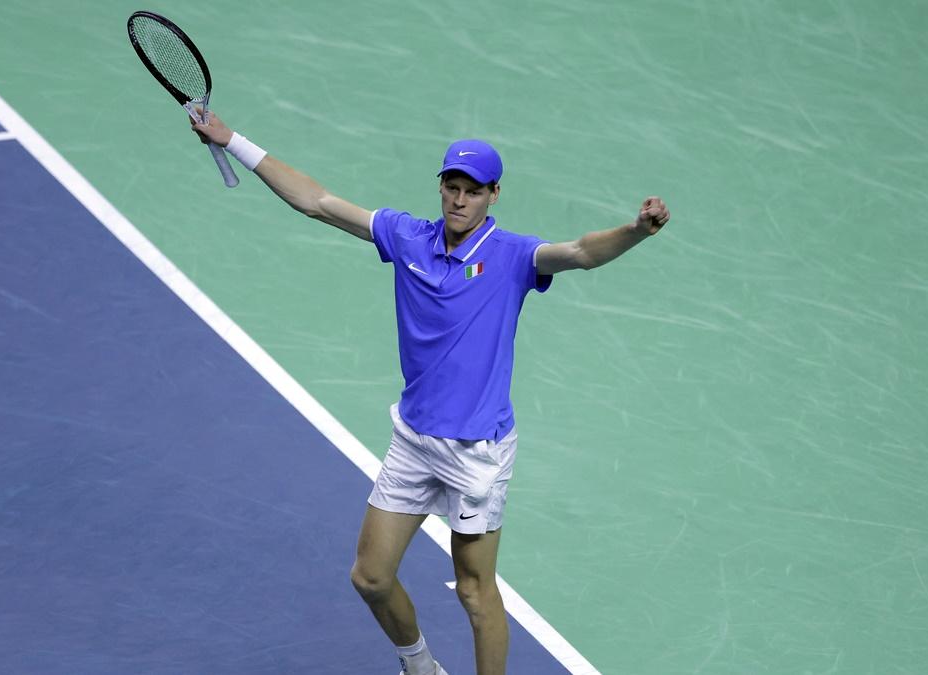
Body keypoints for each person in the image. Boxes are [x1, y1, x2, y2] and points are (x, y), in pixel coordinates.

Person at [190, 111, 669, 675]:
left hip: (477, 452)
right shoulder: (406, 236)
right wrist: (234, 142)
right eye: (452, 187)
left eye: (473, 191)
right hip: (415, 438)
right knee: (370, 576)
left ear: (494, 195)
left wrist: (635, 229)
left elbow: (583, 252)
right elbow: (316, 201)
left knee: (473, 590)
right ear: (440, 187)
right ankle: (419, 665)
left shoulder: (513, 256)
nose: (459, 200)